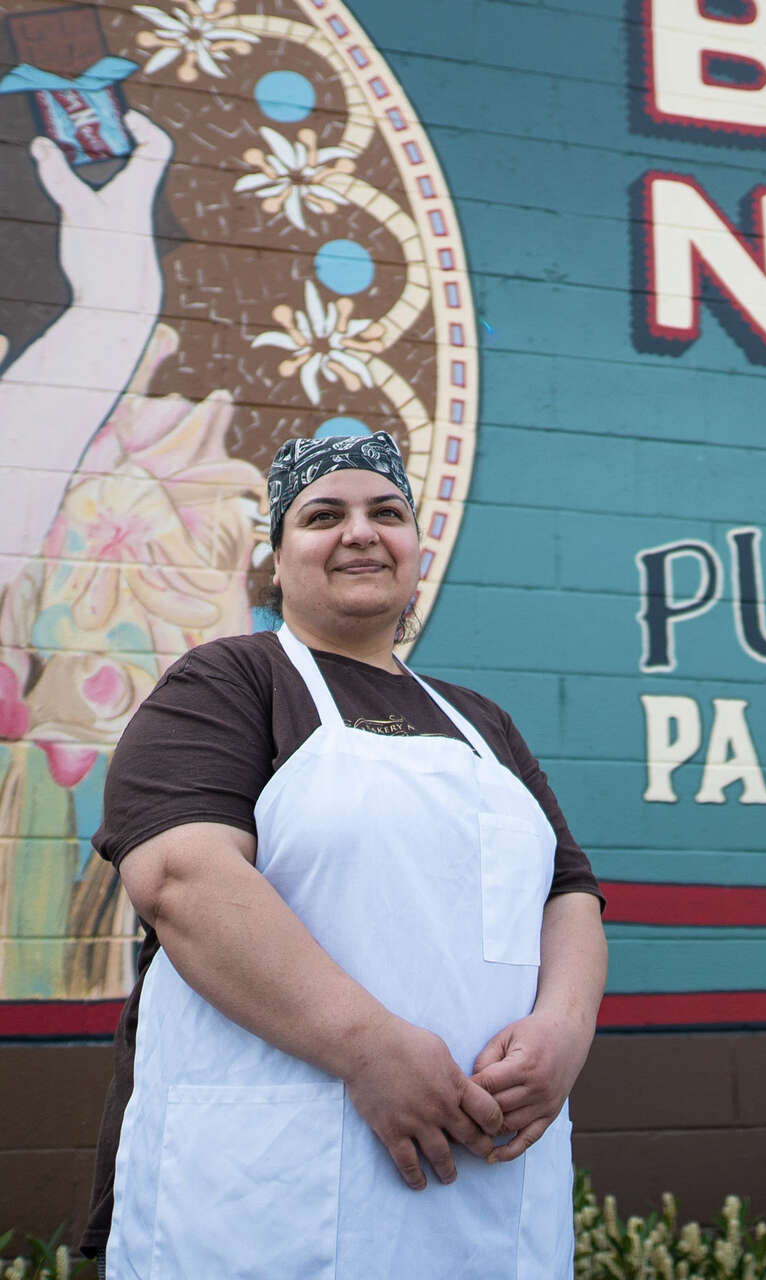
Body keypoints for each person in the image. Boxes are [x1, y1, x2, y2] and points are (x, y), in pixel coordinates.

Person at [82, 431, 607, 1278]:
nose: (360, 532)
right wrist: (367, 1045)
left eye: (386, 513)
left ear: (413, 550)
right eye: (324, 515)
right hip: (265, 1190)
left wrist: (563, 1030)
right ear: (278, 562)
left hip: (486, 1186)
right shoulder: (225, 685)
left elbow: (569, 894)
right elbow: (183, 880)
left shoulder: (484, 723)